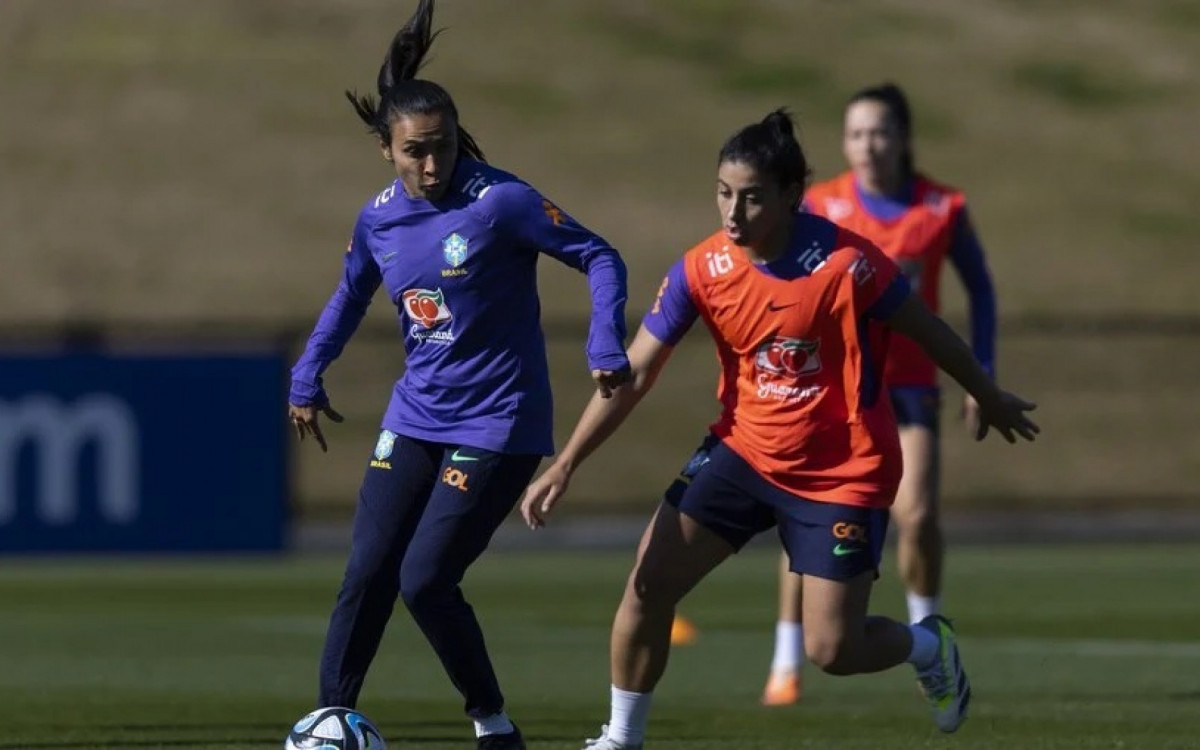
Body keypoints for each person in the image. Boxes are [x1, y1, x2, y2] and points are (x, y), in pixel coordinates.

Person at [519, 109, 1037, 749]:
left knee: (832, 649)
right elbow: (636, 373)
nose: (733, 212)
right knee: (648, 585)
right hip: (741, 452)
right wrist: (566, 462)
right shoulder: (701, 269)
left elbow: (929, 331)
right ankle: (621, 739)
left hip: (841, 471)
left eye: (753, 196)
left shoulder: (848, 264)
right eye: (723, 192)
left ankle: (928, 644)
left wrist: (987, 393)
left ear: (793, 195)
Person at [287, 2, 631, 748]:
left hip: (499, 422)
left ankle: (492, 723)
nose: (434, 164)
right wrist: (307, 375)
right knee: (367, 571)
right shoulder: (377, 219)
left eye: (442, 147)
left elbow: (599, 254)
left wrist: (603, 342)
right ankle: (329, 724)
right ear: (387, 149)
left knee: (424, 580)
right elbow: (349, 298)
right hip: (415, 415)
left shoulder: (500, 201)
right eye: (416, 151)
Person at [758, 82, 999, 707]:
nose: (870, 144)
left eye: (881, 131)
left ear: (903, 137)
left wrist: (983, 373)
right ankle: (786, 660)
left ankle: (930, 629)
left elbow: (982, 291)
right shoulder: (820, 205)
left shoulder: (942, 207)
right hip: (830, 395)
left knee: (916, 515)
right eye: (858, 132)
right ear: (845, 141)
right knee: (801, 527)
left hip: (910, 388)